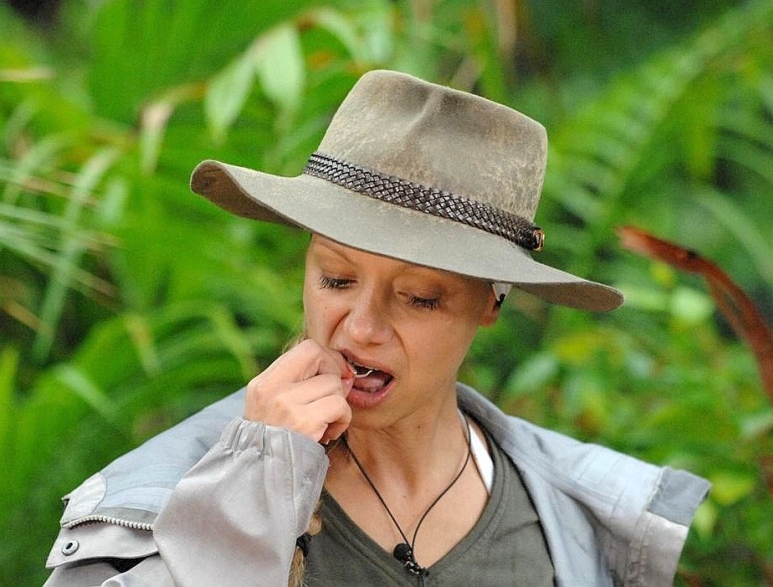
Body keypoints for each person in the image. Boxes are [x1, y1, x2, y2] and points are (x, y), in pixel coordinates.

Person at [44, 70, 710, 586]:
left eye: (419, 298)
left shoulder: (578, 520)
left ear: (490, 305)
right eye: (336, 280)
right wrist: (247, 496)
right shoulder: (143, 502)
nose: (359, 329)